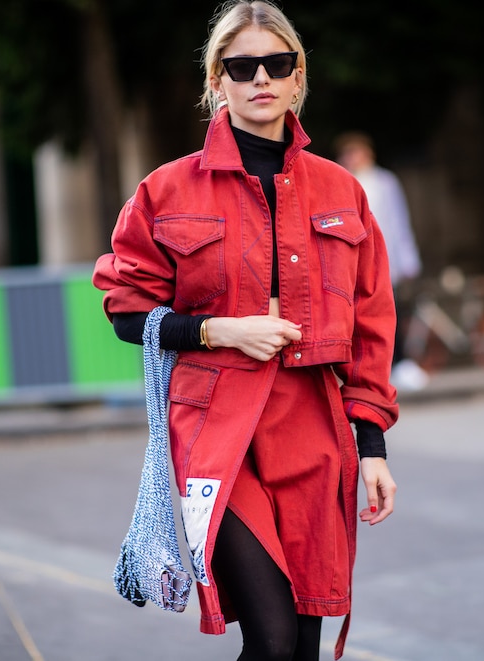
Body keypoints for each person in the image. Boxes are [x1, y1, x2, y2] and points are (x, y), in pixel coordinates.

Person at [92, 2, 398, 659]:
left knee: (304, 646)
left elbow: (373, 326)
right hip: (215, 437)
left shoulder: (344, 192)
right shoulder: (165, 191)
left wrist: (371, 445)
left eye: (276, 63)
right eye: (241, 65)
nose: (261, 77)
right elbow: (124, 310)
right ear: (216, 82)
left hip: (316, 435)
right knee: (272, 638)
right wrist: (219, 330)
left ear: (297, 77)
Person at [334, 131, 427, 390]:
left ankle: (398, 362)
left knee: (390, 312)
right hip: (354, 259)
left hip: (386, 257)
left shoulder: (385, 182)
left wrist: (408, 258)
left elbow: (398, 221)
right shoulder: (341, 180)